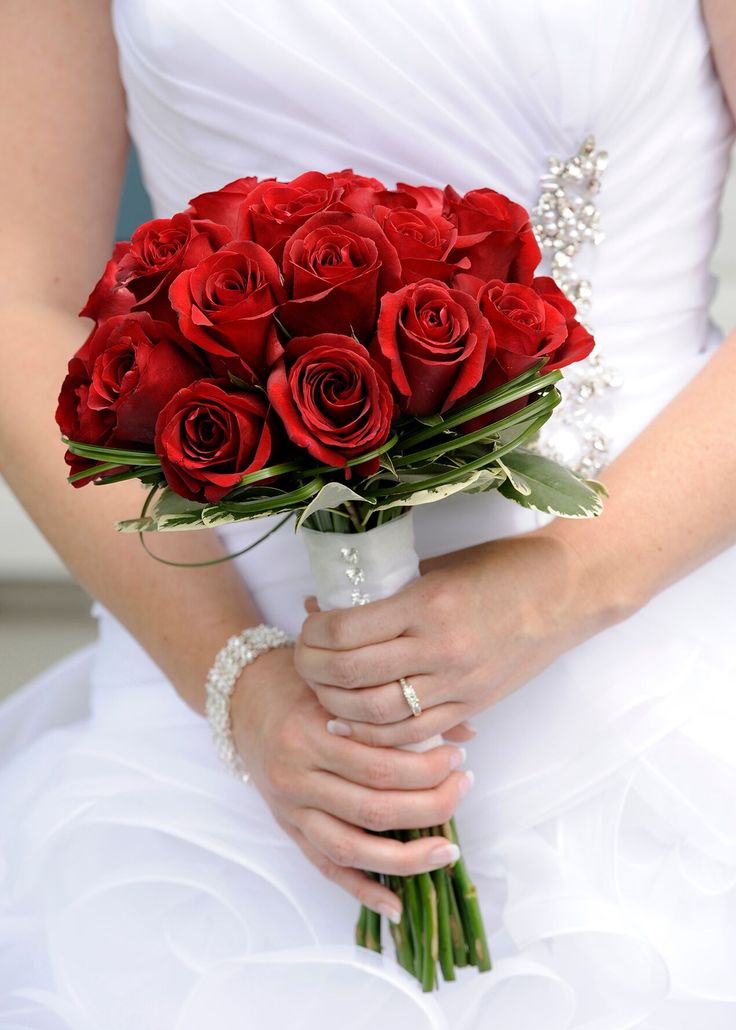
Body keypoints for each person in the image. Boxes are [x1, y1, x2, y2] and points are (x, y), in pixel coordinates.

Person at [1, 1, 735, 1027]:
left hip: (649, 658)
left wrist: (563, 585)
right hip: (230, 696)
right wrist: (239, 684)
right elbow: (18, 298)